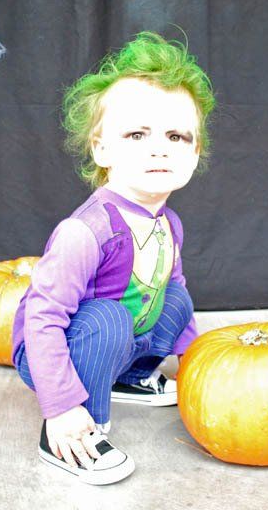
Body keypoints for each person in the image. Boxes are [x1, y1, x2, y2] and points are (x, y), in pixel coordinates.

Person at [12, 30, 215, 485]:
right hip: (59, 349)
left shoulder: (168, 223)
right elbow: (42, 321)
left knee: (177, 300)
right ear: (102, 149)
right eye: (137, 133)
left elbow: (173, 290)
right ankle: (75, 432)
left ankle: (130, 377)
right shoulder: (85, 232)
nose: (160, 147)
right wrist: (60, 408)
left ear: (195, 151)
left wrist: (196, 360)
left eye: (177, 136)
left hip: (122, 341)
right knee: (107, 318)